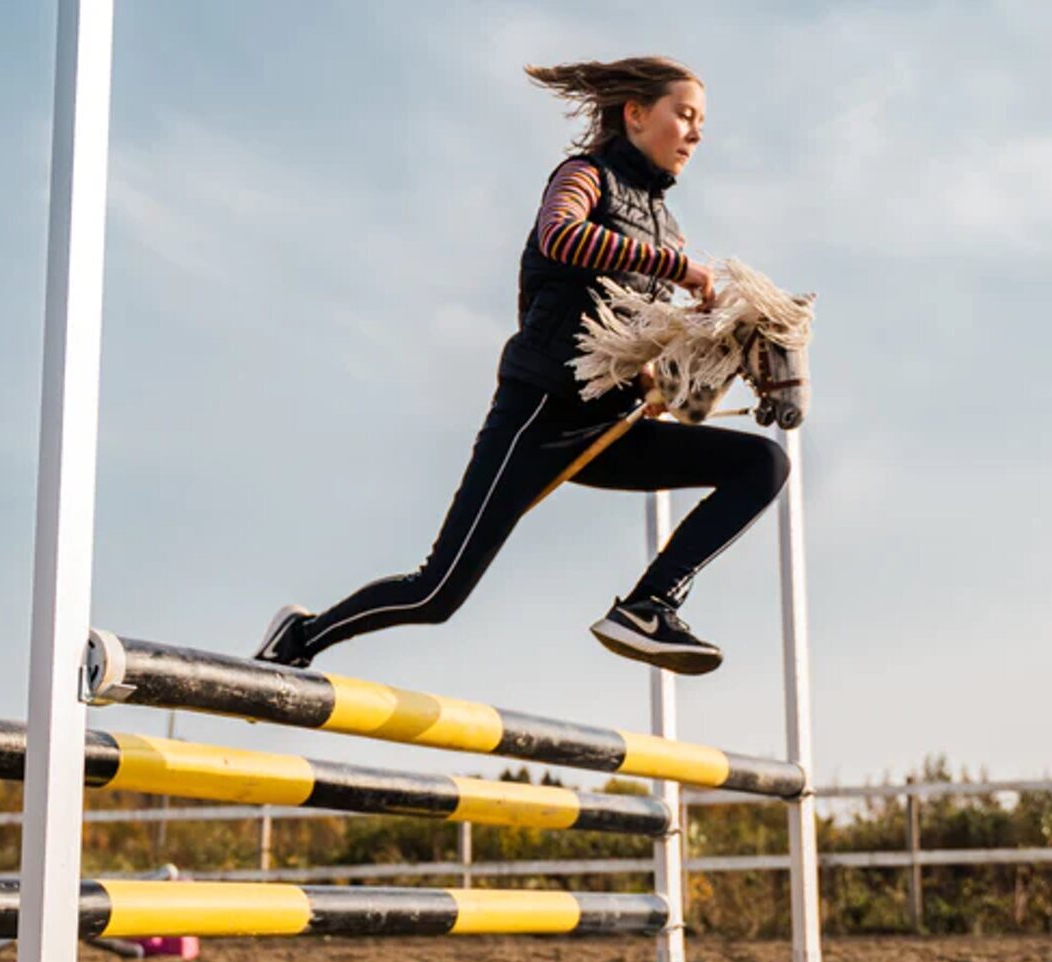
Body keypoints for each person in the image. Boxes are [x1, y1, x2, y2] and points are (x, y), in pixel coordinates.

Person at [255, 56, 789, 676]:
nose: (697, 133)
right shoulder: (583, 175)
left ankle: (649, 605)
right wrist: (679, 271)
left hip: (608, 426)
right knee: (436, 593)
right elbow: (559, 234)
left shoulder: (667, 226)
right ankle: (300, 637)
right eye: (686, 115)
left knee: (762, 462)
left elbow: (632, 330)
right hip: (539, 412)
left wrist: (668, 380)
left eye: (702, 122)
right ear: (636, 114)